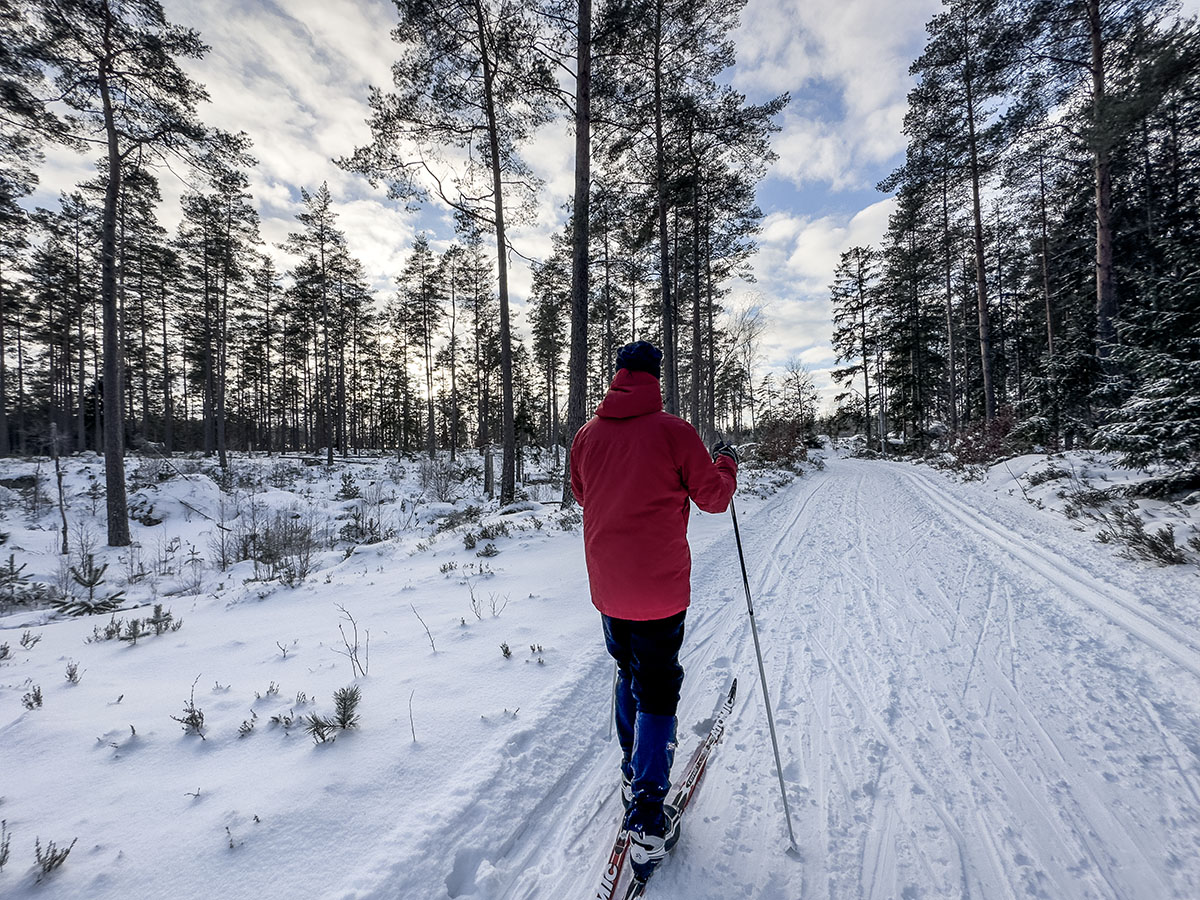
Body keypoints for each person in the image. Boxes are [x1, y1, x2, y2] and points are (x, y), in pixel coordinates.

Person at [569, 340, 738, 879]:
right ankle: (646, 818)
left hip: (610, 591)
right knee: (659, 689)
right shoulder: (674, 432)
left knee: (629, 672)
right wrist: (727, 464)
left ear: (618, 376)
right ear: (654, 380)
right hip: (660, 593)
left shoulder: (587, 436)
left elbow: (581, 493)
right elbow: (714, 498)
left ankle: (631, 770)